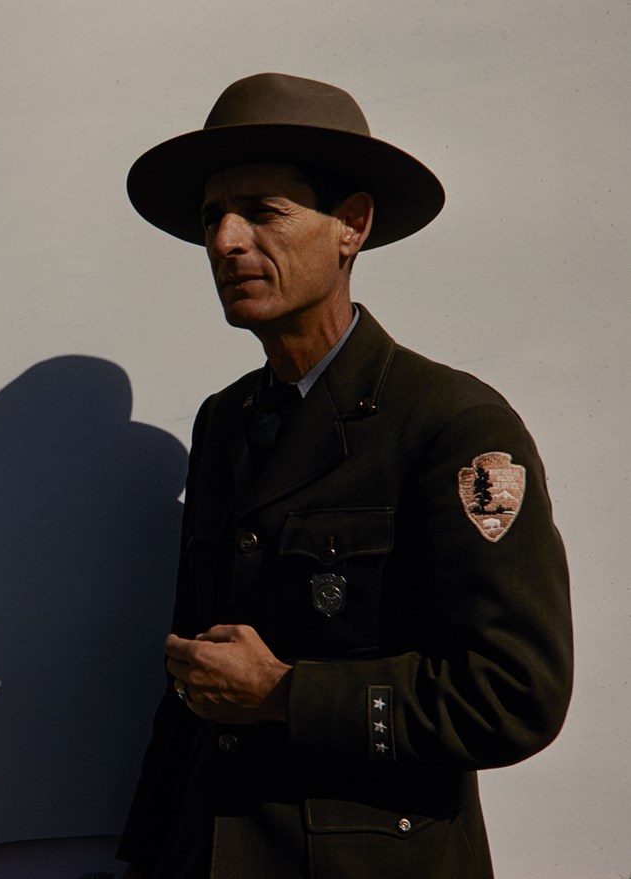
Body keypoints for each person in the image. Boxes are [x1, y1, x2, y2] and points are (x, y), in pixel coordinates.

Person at [116, 72, 573, 879]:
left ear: (351, 226)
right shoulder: (226, 420)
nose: (224, 241)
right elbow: (189, 688)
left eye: (262, 211)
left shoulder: (451, 425)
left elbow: (515, 693)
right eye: (211, 218)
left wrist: (289, 693)